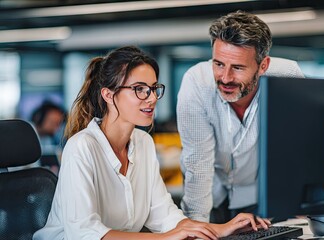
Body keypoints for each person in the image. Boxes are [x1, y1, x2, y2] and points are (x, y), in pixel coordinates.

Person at [33, 45, 267, 240]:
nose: (152, 98)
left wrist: (222, 229)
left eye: (154, 89)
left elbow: (163, 215)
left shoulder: (143, 143)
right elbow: (83, 233)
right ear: (108, 95)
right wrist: (166, 238)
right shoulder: (82, 147)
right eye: (140, 90)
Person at [176, 10, 305, 223]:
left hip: (261, 191)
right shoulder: (196, 83)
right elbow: (197, 163)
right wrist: (196, 227)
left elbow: (298, 148)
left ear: (263, 66)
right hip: (211, 190)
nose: (225, 78)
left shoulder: (288, 78)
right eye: (218, 64)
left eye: (237, 67)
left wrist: (298, 203)